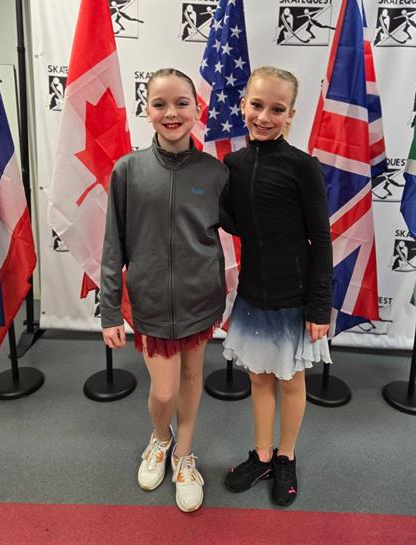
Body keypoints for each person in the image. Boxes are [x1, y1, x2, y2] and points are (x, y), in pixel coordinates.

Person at [100, 68, 228, 513]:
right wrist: (110, 311)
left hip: (200, 300)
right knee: (166, 391)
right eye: (160, 104)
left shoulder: (215, 173)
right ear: (147, 110)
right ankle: (160, 437)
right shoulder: (127, 170)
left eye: (181, 103)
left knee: (192, 379)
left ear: (197, 109)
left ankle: (183, 456)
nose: (171, 112)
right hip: (151, 303)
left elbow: (243, 227)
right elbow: (113, 245)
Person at [220, 66, 333, 507]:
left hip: (295, 295)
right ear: (243, 105)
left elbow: (321, 239)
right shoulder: (233, 164)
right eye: (257, 105)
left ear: (291, 115)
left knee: (290, 380)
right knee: (259, 377)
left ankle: (286, 455)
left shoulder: (303, 167)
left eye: (277, 109)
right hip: (253, 292)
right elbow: (232, 220)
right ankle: (263, 455)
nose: (264, 117)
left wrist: (319, 306)